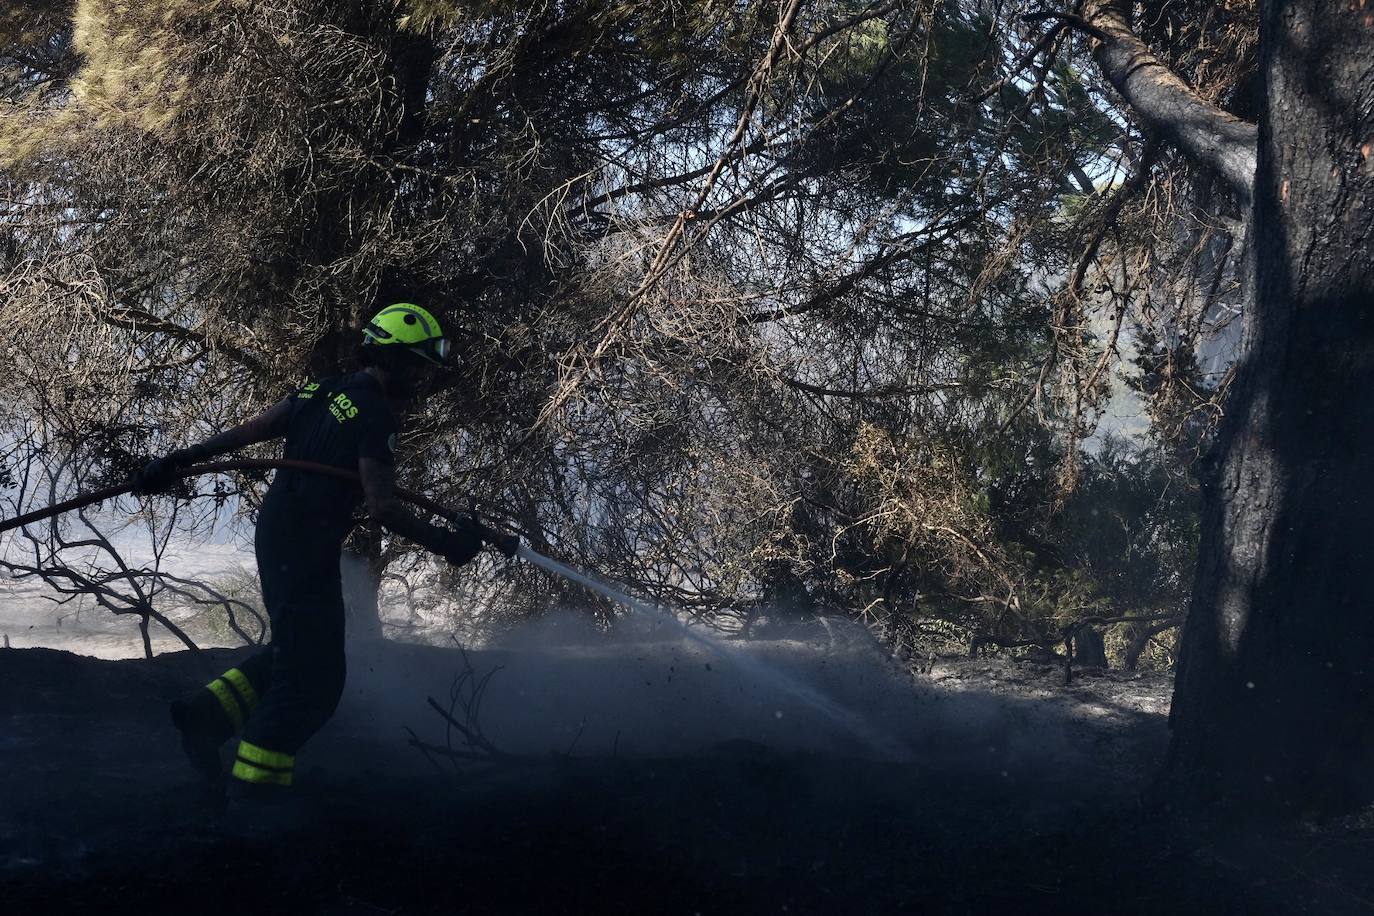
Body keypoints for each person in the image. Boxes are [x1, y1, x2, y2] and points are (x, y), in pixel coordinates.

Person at [132, 303, 514, 801]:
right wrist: (449, 544)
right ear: (393, 359)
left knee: (299, 654)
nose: (421, 379)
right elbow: (382, 508)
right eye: (417, 365)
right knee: (316, 681)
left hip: (280, 535)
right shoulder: (376, 414)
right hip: (304, 546)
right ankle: (257, 790)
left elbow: (247, 432)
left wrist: (178, 460)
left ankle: (206, 715)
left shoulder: (321, 390)